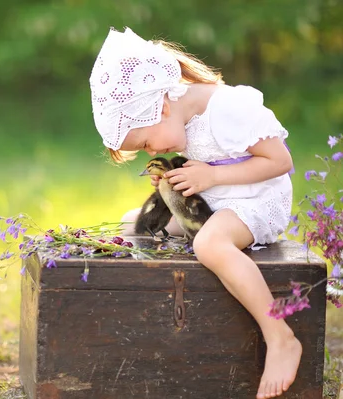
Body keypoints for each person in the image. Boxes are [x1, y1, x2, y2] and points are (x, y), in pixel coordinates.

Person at [89, 27, 299, 399]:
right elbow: (199, 162)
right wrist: (177, 181)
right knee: (131, 224)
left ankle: (280, 336)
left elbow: (280, 161)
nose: (152, 149)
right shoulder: (180, 118)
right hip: (216, 199)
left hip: (256, 199)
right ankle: (146, 320)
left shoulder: (231, 108)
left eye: (147, 142)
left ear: (161, 107)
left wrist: (212, 176)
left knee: (211, 246)